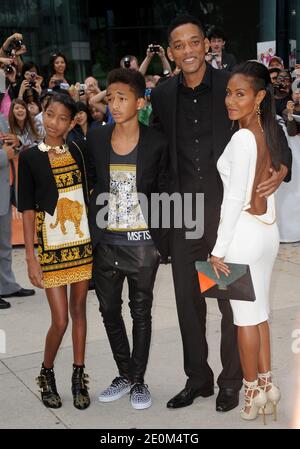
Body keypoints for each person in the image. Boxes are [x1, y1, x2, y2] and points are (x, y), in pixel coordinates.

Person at [151, 14, 291, 412]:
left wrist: (282, 168)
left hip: (227, 220)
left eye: (195, 41)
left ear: (206, 45)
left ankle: (233, 381)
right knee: (187, 302)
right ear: (171, 52)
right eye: (179, 45)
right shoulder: (161, 95)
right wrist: (161, 217)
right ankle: (198, 380)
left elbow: (272, 131)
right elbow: (159, 159)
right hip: (184, 216)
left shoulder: (232, 87)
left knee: (233, 303)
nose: (189, 50)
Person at [86, 68, 168, 410]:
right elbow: (90, 180)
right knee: (108, 310)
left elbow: (164, 189)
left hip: (143, 245)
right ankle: (126, 373)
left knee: (141, 312)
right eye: (110, 97)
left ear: (139, 100)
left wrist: (160, 243)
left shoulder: (157, 141)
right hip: (107, 243)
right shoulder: (96, 137)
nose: (115, 104)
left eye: (122, 98)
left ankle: (139, 380)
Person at [210, 61, 282, 422]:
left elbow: (234, 199)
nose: (230, 100)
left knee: (243, 320)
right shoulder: (269, 130)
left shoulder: (241, 137)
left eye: (240, 93)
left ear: (259, 97)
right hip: (268, 233)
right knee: (261, 315)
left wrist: (217, 251)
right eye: (228, 92)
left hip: (242, 237)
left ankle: (251, 391)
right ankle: (268, 386)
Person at [17, 93, 92, 410]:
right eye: (50, 115)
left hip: (81, 243)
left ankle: (78, 376)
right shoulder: (30, 156)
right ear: (42, 115)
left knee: (79, 313)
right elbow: (28, 209)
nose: (55, 123)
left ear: (72, 121)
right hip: (51, 247)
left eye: (63, 118)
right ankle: (46, 373)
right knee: (60, 320)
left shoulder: (79, 149)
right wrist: (31, 257)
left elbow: (90, 191)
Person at [0, 112, 35, 309]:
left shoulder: (1, 118)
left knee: (4, 246)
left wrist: (17, 143)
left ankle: (7, 285)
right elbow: (6, 153)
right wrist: (5, 155)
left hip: (4, 190)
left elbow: (13, 145)